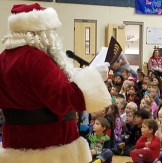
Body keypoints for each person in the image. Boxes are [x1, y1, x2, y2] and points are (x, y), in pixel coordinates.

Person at [0, 3, 111, 162]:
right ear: (41, 31)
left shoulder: (4, 58)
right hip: (49, 146)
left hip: (15, 143)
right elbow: (63, 100)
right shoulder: (37, 59)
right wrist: (94, 76)